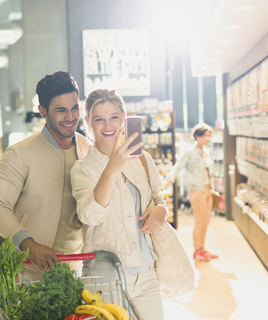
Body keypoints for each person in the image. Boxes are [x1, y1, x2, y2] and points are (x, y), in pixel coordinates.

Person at [71, 88, 167, 319]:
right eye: (99, 119)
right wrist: (111, 169)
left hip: (145, 273)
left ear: (123, 118)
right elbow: (89, 216)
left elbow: (159, 199)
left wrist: (160, 212)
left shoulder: (142, 159)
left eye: (114, 117)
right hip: (105, 278)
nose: (108, 125)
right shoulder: (82, 169)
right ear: (88, 122)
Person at [0, 71, 91, 281]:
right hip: (32, 269)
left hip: (81, 264)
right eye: (61, 111)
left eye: (74, 108)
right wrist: (29, 245)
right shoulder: (19, 154)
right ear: (42, 111)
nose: (70, 117)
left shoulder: (89, 149)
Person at [164, 123, 216, 261]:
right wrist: (167, 180)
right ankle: (197, 250)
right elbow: (177, 167)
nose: (208, 138)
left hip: (207, 190)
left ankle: (203, 249)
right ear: (197, 136)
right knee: (199, 222)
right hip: (196, 191)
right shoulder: (189, 152)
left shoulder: (206, 152)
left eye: (209, 135)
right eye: (205, 135)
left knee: (206, 222)